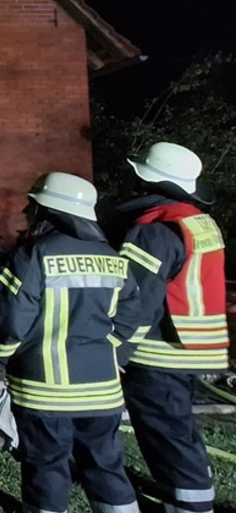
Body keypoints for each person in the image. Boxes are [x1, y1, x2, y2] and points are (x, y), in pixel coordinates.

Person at [0, 172, 142, 513]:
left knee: (46, 470)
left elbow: (9, 322)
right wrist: (111, 349)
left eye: (34, 207)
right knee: (106, 470)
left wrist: (4, 355)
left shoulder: (33, 256)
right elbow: (134, 312)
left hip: (44, 391)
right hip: (102, 391)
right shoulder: (115, 259)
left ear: (48, 212)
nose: (28, 213)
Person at [105, 142, 227, 513]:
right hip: (191, 348)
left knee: (167, 439)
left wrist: (114, 350)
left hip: (157, 354)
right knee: (178, 433)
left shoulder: (155, 229)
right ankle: (191, 493)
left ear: (146, 180)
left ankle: (191, 505)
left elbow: (136, 300)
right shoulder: (196, 221)